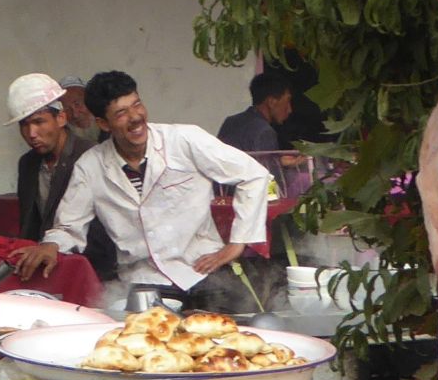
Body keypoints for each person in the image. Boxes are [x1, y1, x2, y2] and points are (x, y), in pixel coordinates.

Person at [21, 70, 271, 313]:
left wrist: (237, 244)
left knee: (225, 333)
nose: (135, 117)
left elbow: (253, 175)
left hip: (203, 269)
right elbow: (69, 226)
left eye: (137, 104)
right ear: (103, 124)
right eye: (121, 113)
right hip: (143, 280)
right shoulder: (91, 166)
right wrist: (51, 245)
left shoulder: (184, 139)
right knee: (145, 335)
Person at [2, 73, 119, 281]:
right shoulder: (27, 164)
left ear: (61, 118)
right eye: (24, 125)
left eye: (39, 122)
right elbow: (30, 226)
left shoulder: (92, 157)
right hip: (48, 267)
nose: (32, 133)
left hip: (95, 271)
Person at [218, 71, 295, 155]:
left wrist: (280, 161)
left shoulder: (230, 121)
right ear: (271, 102)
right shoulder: (265, 132)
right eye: (287, 101)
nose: (289, 110)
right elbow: (265, 163)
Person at [58, 75, 105, 146]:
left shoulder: (112, 126)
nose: (75, 114)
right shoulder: (61, 141)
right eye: (67, 109)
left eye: (77, 104)